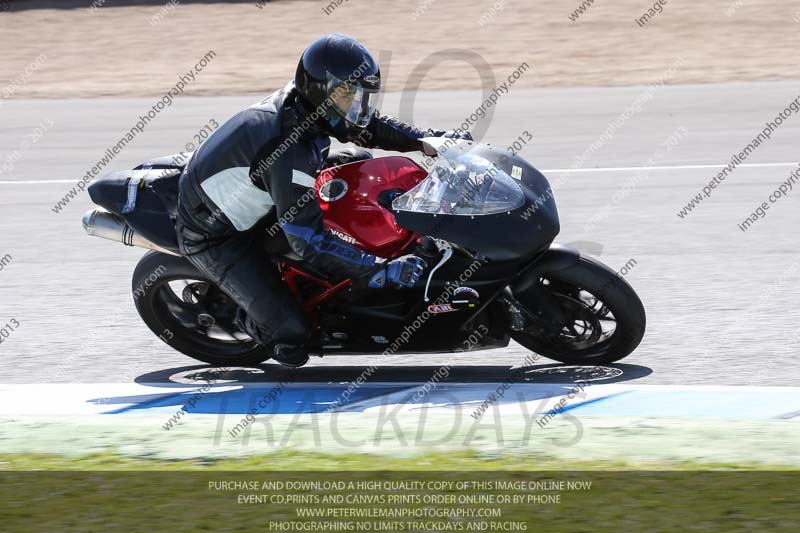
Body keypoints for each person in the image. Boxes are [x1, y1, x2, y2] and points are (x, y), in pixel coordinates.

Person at [176, 33, 471, 367]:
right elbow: (306, 240)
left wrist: (426, 141)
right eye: (350, 97)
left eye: (362, 97)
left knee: (359, 162)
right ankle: (240, 318)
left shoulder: (309, 108)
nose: (359, 108)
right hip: (216, 232)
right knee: (292, 335)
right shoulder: (288, 148)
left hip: (264, 191)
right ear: (320, 91)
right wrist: (379, 269)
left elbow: (367, 127)